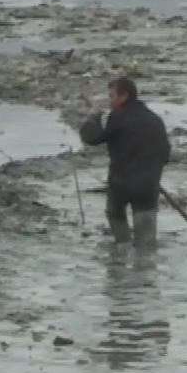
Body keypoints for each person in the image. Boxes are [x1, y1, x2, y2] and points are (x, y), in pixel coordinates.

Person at [79, 76, 172, 250]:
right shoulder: (155, 120)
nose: (110, 101)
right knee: (146, 245)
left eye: (111, 96)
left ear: (124, 97)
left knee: (118, 227)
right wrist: (153, 172)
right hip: (148, 186)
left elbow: (92, 138)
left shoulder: (118, 117)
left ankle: (120, 257)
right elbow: (165, 154)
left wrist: (93, 116)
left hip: (121, 184)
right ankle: (145, 271)